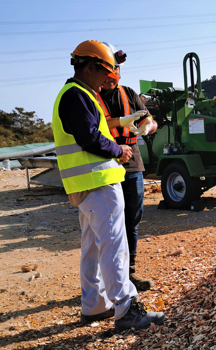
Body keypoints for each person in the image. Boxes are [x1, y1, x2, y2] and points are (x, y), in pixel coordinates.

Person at [52, 39, 164, 330]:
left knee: (91, 246)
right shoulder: (77, 95)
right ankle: (126, 308)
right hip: (99, 182)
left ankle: (95, 304)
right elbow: (89, 137)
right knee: (114, 244)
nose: (107, 81)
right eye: (105, 74)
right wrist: (119, 151)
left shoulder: (76, 94)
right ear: (90, 67)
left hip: (87, 184)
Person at [97, 43, 158, 291]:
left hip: (133, 165)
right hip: (106, 161)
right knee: (110, 222)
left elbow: (150, 120)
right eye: (108, 75)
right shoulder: (91, 96)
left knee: (132, 219)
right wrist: (121, 121)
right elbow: (96, 125)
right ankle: (109, 275)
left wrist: (147, 127)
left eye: (115, 74)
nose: (112, 79)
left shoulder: (130, 93)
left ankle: (128, 272)